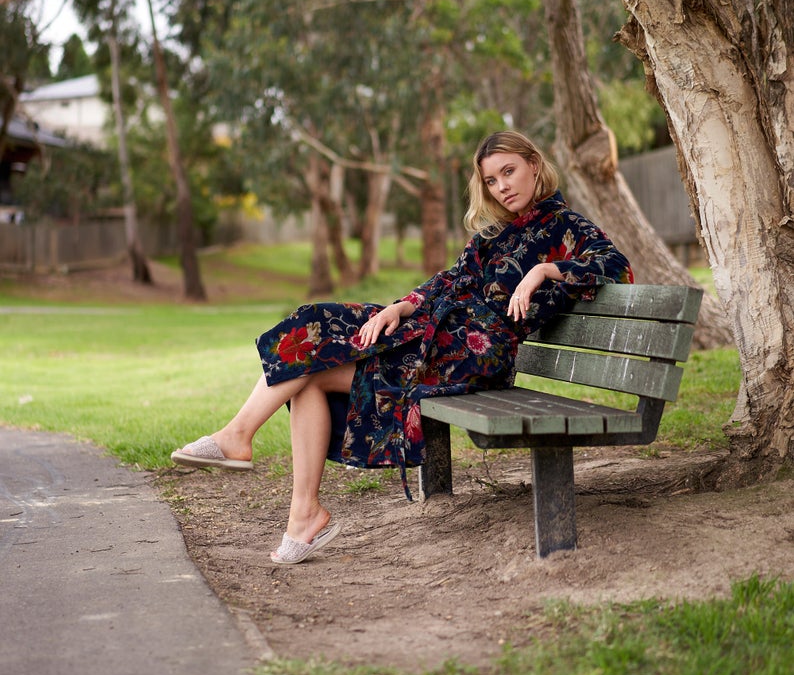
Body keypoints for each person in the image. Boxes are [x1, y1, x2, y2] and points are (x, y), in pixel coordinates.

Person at [171, 131, 633, 565]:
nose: (501, 187)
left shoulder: (565, 226)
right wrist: (401, 307)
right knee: (313, 330)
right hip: (435, 334)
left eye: (508, 172)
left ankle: (250, 452)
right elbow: (449, 280)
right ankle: (297, 508)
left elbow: (617, 266)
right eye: (491, 180)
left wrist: (544, 271)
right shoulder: (492, 235)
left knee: (309, 368)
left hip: (474, 354)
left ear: (534, 165)